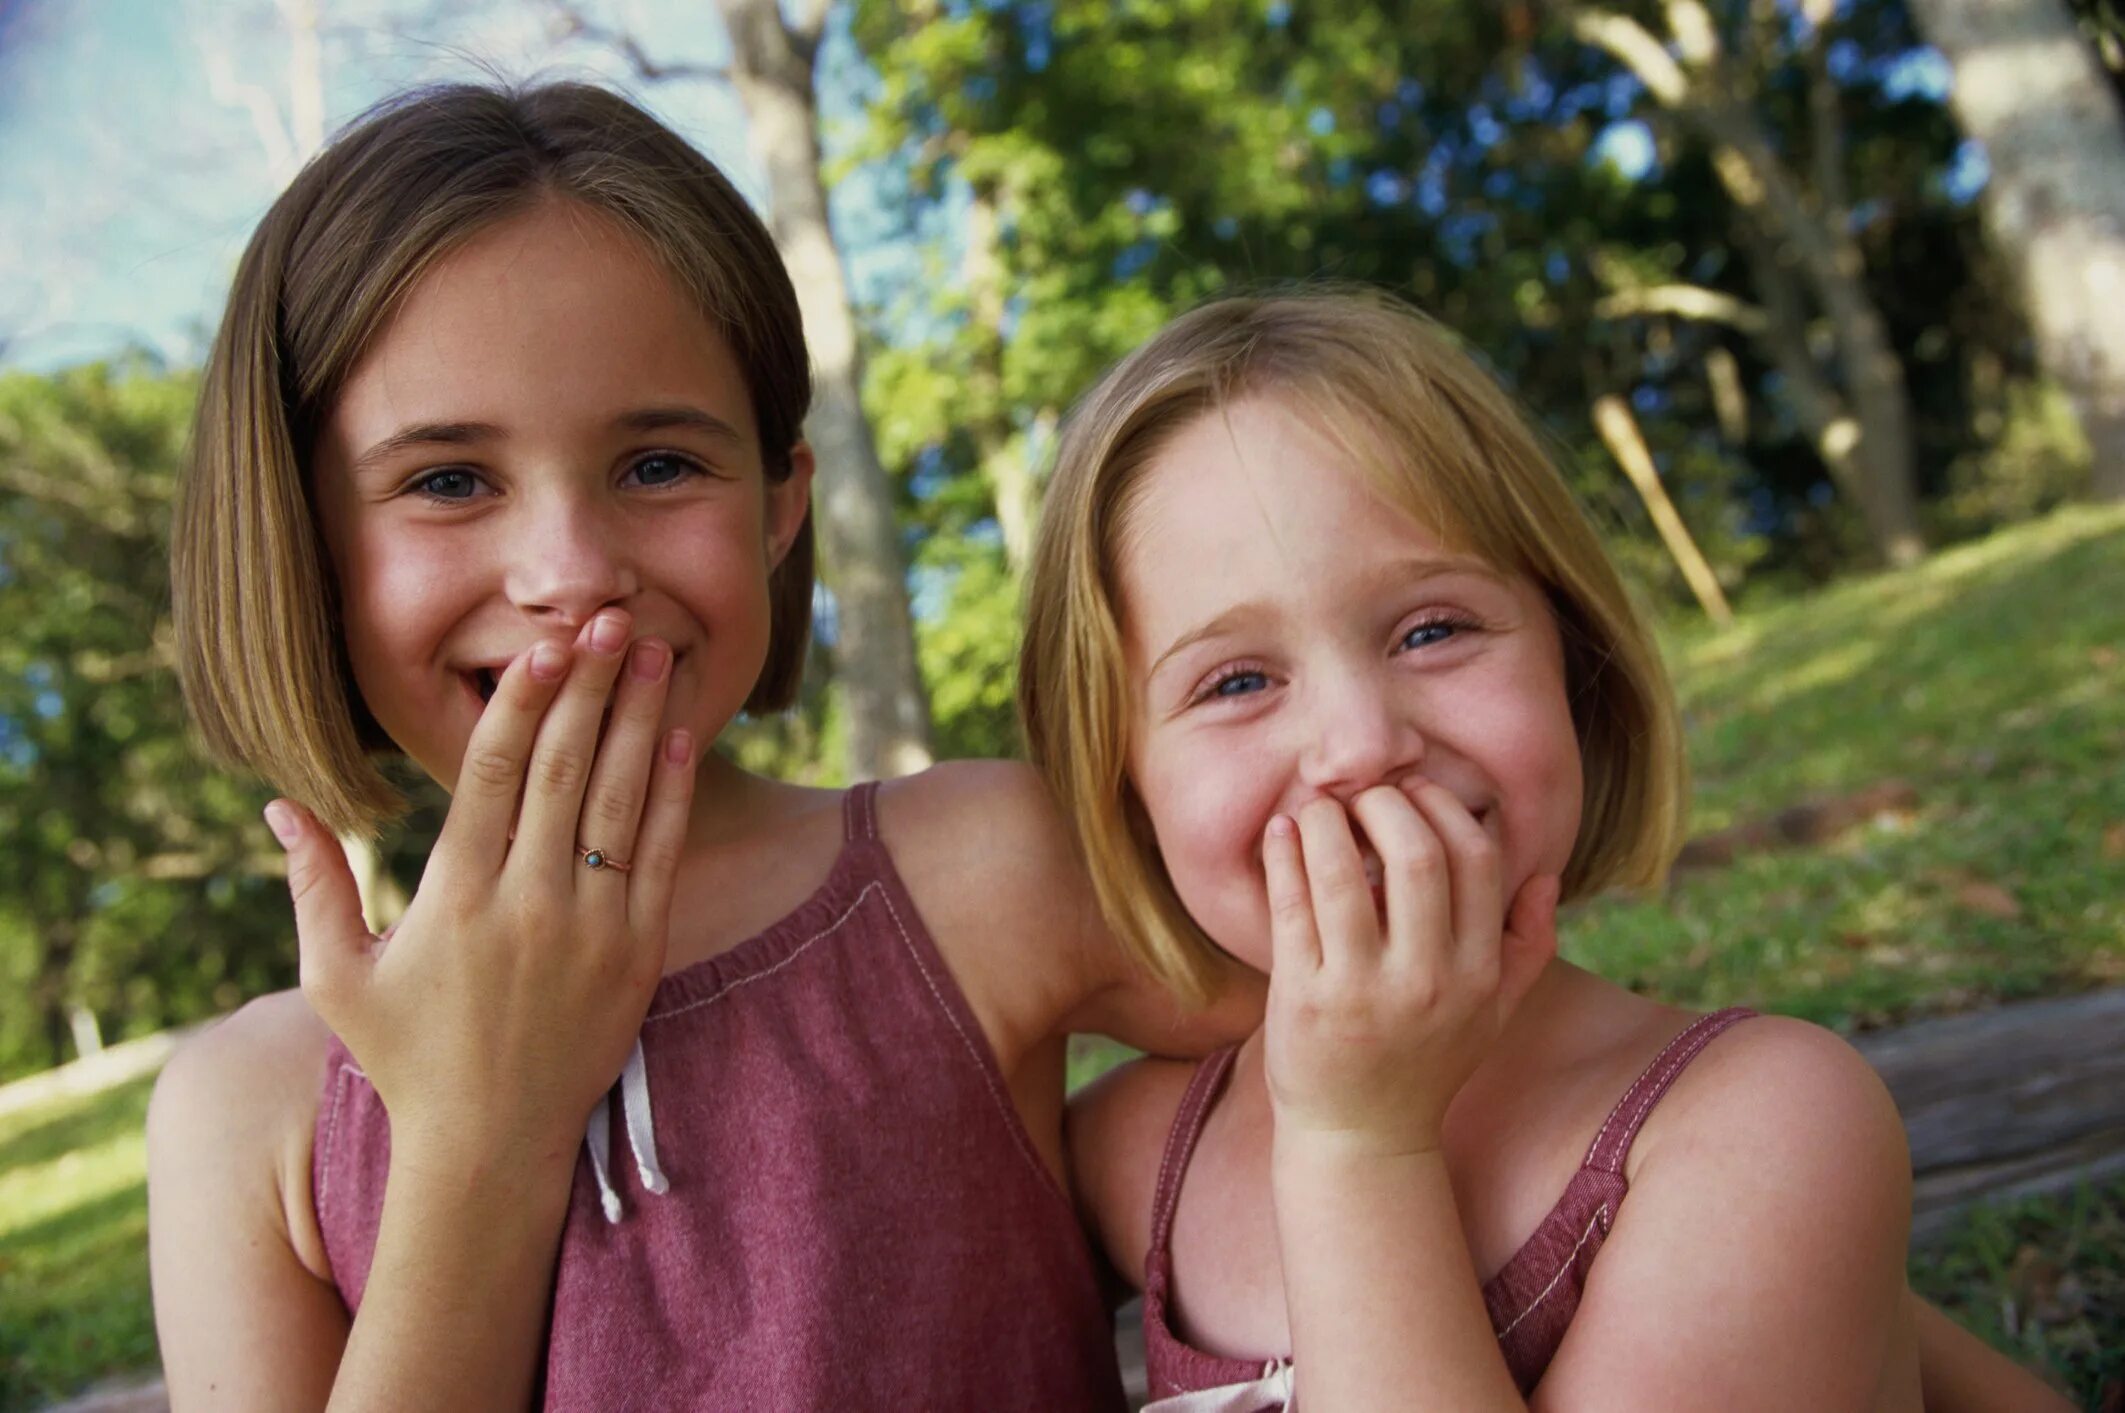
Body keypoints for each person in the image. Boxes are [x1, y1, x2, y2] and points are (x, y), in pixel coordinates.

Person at [145, 81, 1260, 1411]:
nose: (572, 573)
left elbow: (1418, 1042)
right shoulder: (244, 1115)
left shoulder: (977, 872)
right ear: (303, 546)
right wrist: (477, 1133)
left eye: (659, 465)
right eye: (449, 481)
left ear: (779, 507)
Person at [1027, 289, 2076, 1410]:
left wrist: (1356, 1147)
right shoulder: (1135, 1151)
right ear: (1121, 789)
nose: (1361, 744)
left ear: (1575, 665)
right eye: (1235, 682)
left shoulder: (1758, 1131)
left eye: (1432, 629)